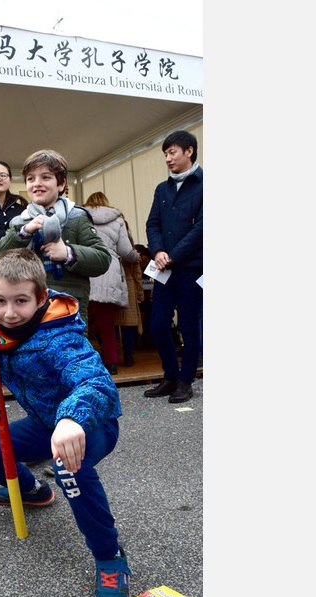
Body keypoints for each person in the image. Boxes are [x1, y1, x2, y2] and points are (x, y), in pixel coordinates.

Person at [0, 248, 131, 597]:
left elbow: (96, 382)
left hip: (89, 424)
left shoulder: (60, 337)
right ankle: (34, 491)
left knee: (69, 468)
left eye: (20, 300)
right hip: (44, 424)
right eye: (0, 301)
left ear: (40, 298)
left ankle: (110, 557)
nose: (9, 312)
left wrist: (71, 419)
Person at [0, 149, 110, 328]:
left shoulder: (77, 217)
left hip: (66, 305)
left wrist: (68, 253)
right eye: (31, 178)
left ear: (61, 184)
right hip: (24, 306)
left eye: (45, 177)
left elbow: (102, 259)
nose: (37, 183)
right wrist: (24, 232)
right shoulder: (20, 221)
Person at [142, 130, 203, 404]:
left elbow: (202, 228)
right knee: (157, 324)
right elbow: (152, 224)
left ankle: (185, 381)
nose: (167, 158)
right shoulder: (162, 189)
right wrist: (157, 251)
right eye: (165, 154)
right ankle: (170, 375)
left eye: (172, 152)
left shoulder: (205, 184)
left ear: (189, 151)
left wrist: (173, 255)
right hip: (164, 268)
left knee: (189, 325)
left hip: (192, 267)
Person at [82, 192, 139, 375]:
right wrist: (136, 257)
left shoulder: (79, 217)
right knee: (107, 322)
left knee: (82, 321)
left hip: (85, 268)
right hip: (108, 270)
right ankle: (111, 362)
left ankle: (84, 362)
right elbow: (125, 251)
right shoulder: (117, 220)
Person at [116, 221, 145, 368]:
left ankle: (112, 357)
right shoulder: (131, 251)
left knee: (111, 324)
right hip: (129, 287)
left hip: (112, 287)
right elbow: (137, 275)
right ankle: (128, 356)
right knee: (129, 326)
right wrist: (140, 294)